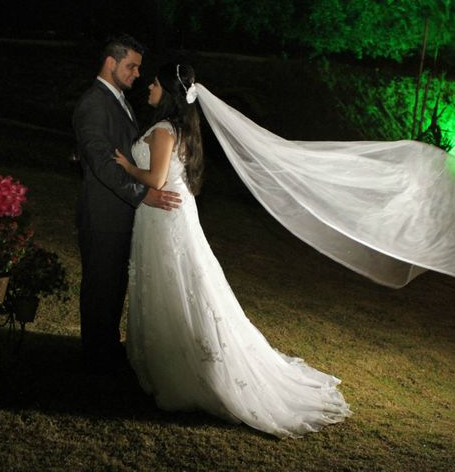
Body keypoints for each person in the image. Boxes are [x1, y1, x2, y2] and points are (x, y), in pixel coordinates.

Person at [114, 63, 352, 438]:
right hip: (172, 215)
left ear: (169, 94)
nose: (149, 86)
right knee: (181, 282)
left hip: (165, 217)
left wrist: (128, 165)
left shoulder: (163, 130)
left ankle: (182, 367)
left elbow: (156, 179)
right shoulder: (183, 130)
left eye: (155, 83)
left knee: (174, 282)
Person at [72, 35, 181, 373]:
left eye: (138, 67)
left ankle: (107, 347)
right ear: (110, 62)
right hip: (103, 211)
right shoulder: (93, 103)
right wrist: (141, 193)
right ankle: (95, 359)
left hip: (122, 212)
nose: (136, 74)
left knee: (114, 283)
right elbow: (102, 162)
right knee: (101, 284)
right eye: (131, 66)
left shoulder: (120, 101)